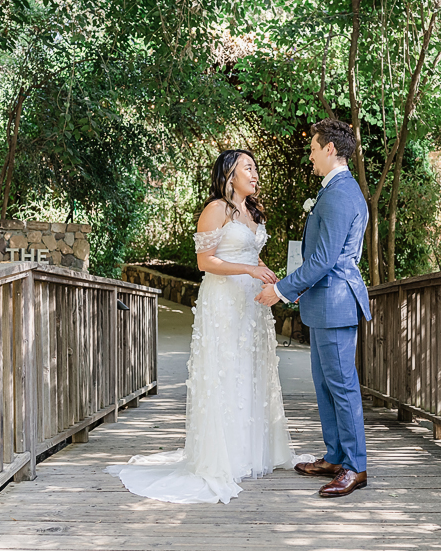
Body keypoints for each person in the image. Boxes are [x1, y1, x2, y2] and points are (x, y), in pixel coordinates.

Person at [106, 149, 312, 504]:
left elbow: (249, 253)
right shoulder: (215, 209)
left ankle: (252, 452)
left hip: (251, 303)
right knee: (226, 370)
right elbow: (206, 262)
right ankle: (224, 457)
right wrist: (249, 270)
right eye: (247, 167)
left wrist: (266, 275)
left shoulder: (252, 212)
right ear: (230, 175)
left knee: (253, 370)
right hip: (223, 302)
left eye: (255, 167)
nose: (255, 172)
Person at [255, 118, 371, 498]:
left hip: (336, 301)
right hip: (325, 302)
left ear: (330, 149)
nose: (310, 156)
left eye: (313, 148)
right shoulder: (335, 190)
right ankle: (335, 456)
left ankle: (355, 467)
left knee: (342, 386)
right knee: (325, 386)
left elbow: (323, 259)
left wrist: (283, 291)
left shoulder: (339, 193)